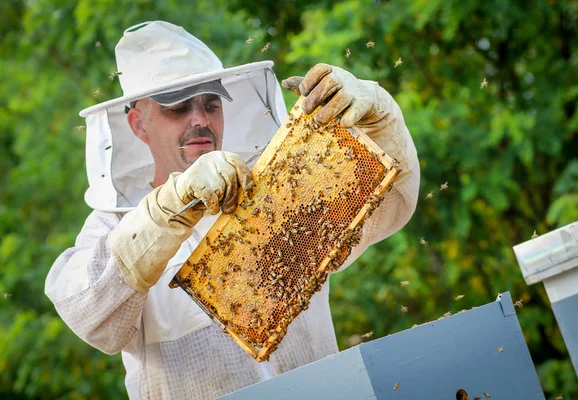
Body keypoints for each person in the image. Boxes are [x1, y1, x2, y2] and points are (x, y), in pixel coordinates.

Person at [45, 21, 420, 399]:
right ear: (139, 124)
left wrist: (380, 115)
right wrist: (168, 209)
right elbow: (90, 317)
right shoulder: (114, 225)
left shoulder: (276, 189)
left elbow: (391, 206)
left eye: (211, 104)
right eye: (178, 108)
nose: (201, 120)